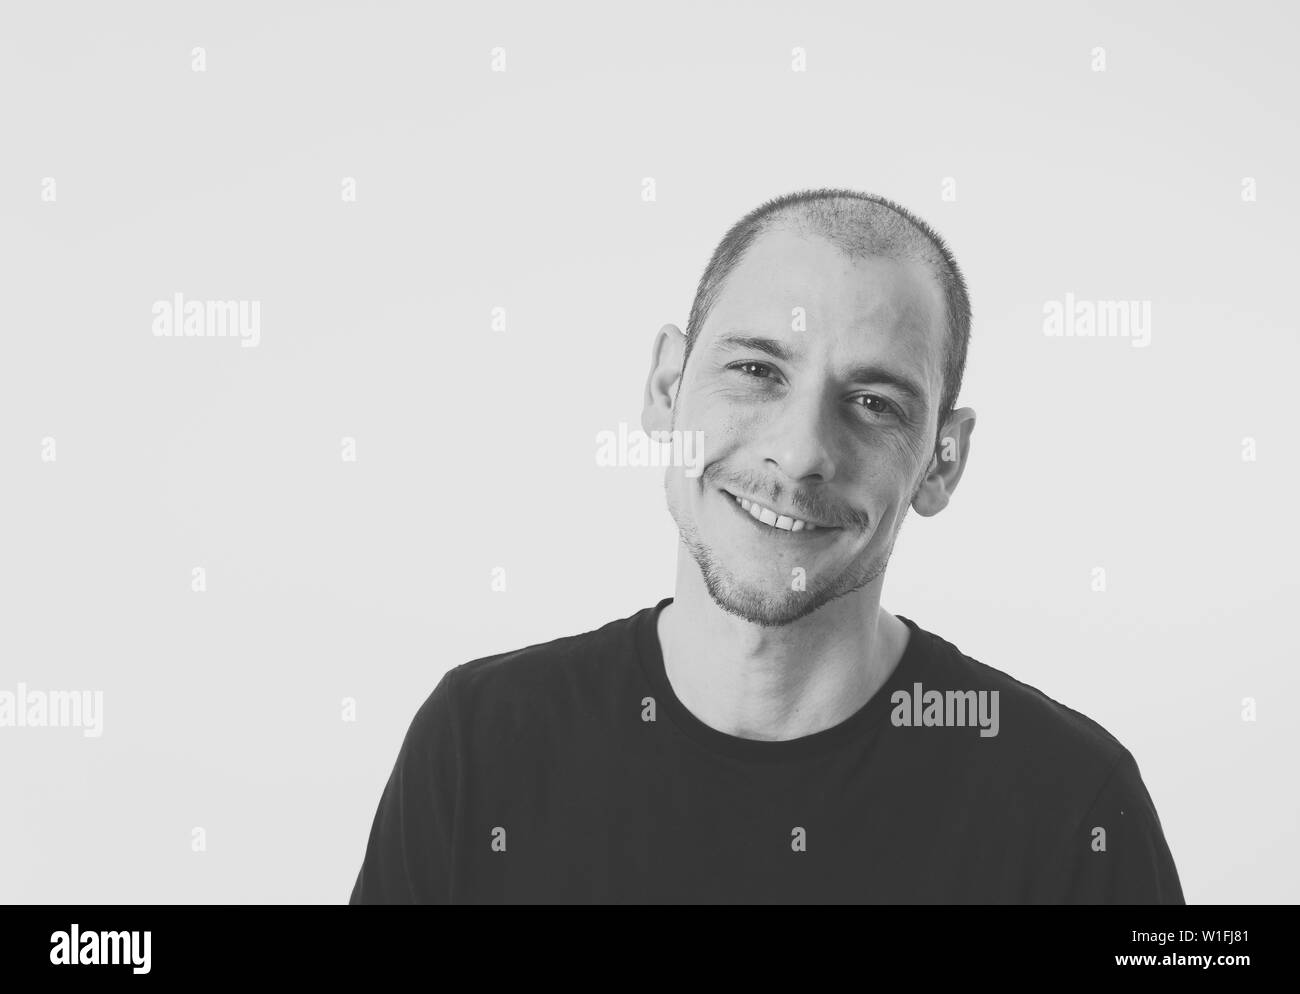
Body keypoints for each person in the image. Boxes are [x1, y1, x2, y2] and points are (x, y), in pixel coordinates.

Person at [349, 188, 1184, 904]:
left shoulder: (1075, 807)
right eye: (756, 371)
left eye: (873, 402)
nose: (800, 452)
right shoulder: (479, 743)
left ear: (943, 460)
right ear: (668, 387)